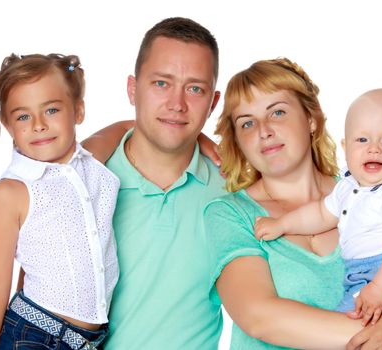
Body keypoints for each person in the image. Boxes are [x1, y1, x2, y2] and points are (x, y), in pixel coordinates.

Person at [203, 58, 382, 349]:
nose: (263, 130)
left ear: (311, 118)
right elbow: (259, 317)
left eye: (277, 112)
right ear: (238, 140)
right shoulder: (230, 213)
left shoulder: (374, 190)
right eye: (247, 123)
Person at [254, 88, 382, 348]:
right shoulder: (348, 186)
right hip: (363, 275)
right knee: (356, 330)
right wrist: (282, 224)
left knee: (359, 334)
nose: (374, 149)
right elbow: (321, 213)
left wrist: (379, 288)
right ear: (345, 147)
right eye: (362, 140)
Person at [82, 17, 227, 349]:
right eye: (161, 83)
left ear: (213, 102)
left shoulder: (234, 188)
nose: (177, 104)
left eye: (195, 88)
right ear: (133, 89)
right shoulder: (86, 182)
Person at [0, 54, 120, 349]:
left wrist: (203, 141)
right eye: (23, 116)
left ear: (78, 111)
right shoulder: (11, 193)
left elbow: (131, 126)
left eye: (51, 109)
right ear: (8, 123)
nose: (39, 125)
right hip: (32, 337)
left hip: (89, 341)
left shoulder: (93, 161)